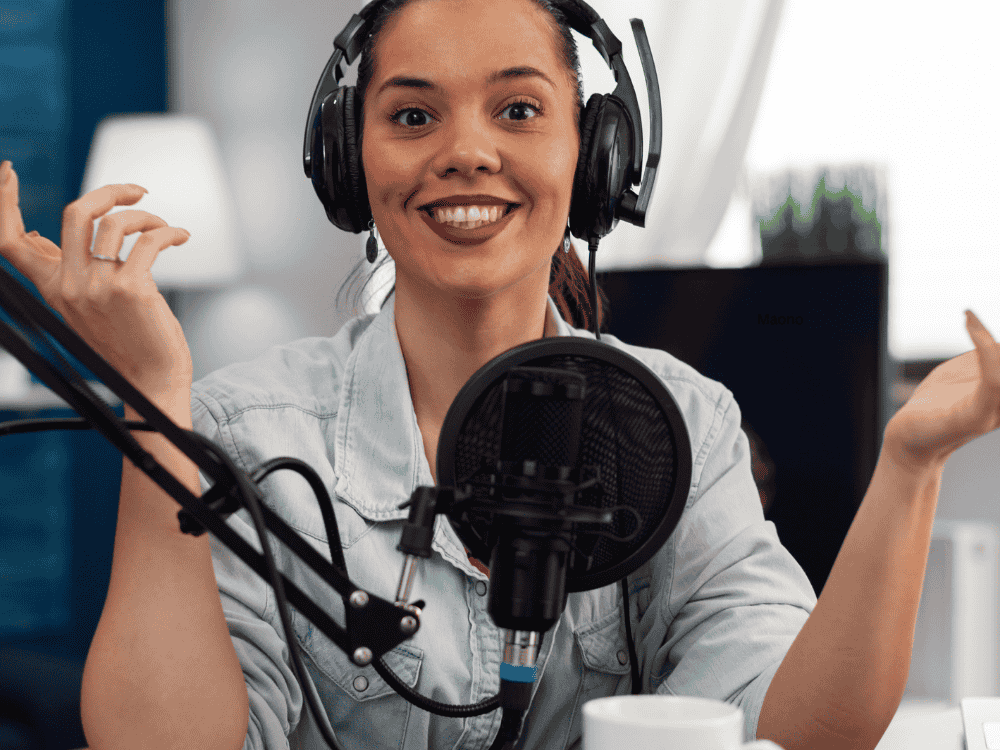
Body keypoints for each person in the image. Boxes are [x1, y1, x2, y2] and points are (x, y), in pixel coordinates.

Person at [2, 1, 1000, 749]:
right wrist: (149, 400)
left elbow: (796, 730)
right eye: (412, 116)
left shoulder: (681, 422)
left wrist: (910, 466)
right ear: (348, 163)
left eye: (518, 109)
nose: (467, 152)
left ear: (596, 156)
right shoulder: (245, 430)